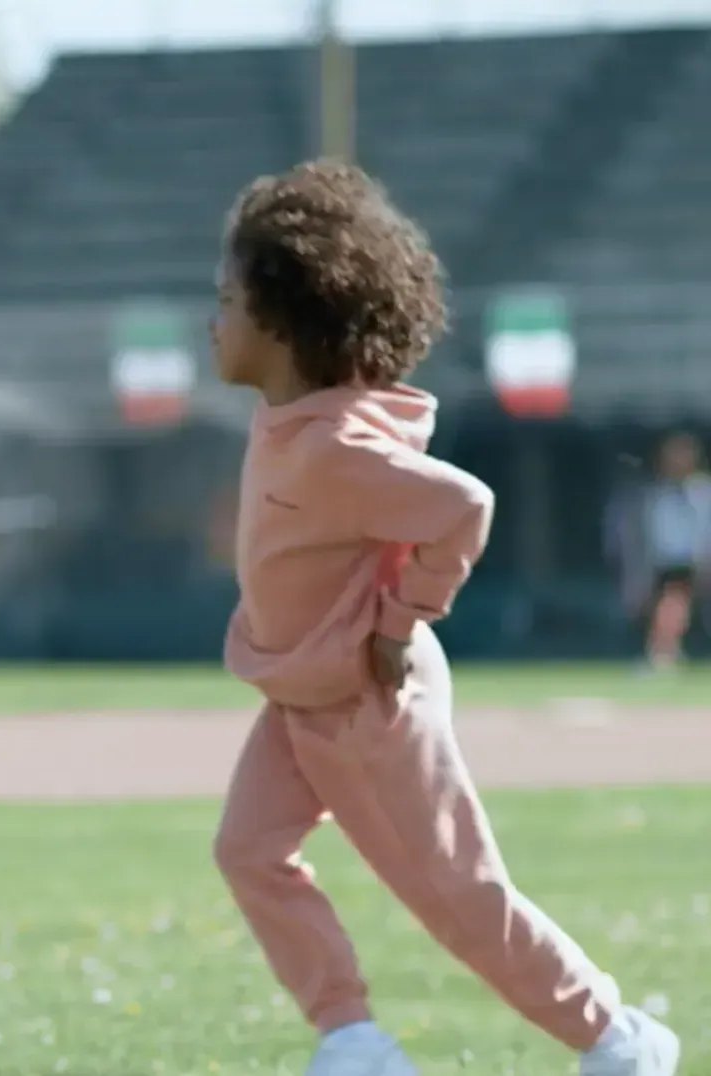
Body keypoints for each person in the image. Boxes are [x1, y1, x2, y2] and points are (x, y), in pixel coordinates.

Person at [208, 160, 679, 1076]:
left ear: (285, 319)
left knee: (455, 895)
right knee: (249, 851)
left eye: (226, 298)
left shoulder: (339, 445)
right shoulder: (289, 421)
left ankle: (618, 1040)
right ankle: (353, 1040)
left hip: (366, 702)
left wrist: (397, 622)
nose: (212, 319)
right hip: (299, 696)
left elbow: (463, 508)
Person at [605, 431, 711, 672]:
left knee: (673, 603)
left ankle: (663, 652)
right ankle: (665, 651)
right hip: (658, 560)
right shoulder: (651, 491)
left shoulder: (703, 490)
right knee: (662, 607)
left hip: (692, 560)